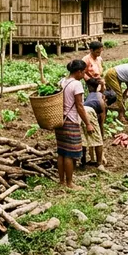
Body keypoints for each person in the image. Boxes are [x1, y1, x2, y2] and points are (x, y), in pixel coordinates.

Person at [57, 60, 93, 190]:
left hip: (60, 120)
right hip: (71, 120)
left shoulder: (62, 81)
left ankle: (61, 181)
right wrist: (88, 123)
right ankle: (70, 183)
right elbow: (79, 106)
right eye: (83, 72)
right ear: (78, 72)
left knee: (61, 152)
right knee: (70, 154)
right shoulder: (77, 84)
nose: (84, 75)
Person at [81, 79, 114, 171]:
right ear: (105, 98)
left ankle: (83, 161)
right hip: (89, 112)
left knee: (83, 138)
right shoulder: (102, 101)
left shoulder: (92, 94)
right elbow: (101, 123)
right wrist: (101, 136)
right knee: (98, 140)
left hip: (81, 111)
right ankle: (99, 163)